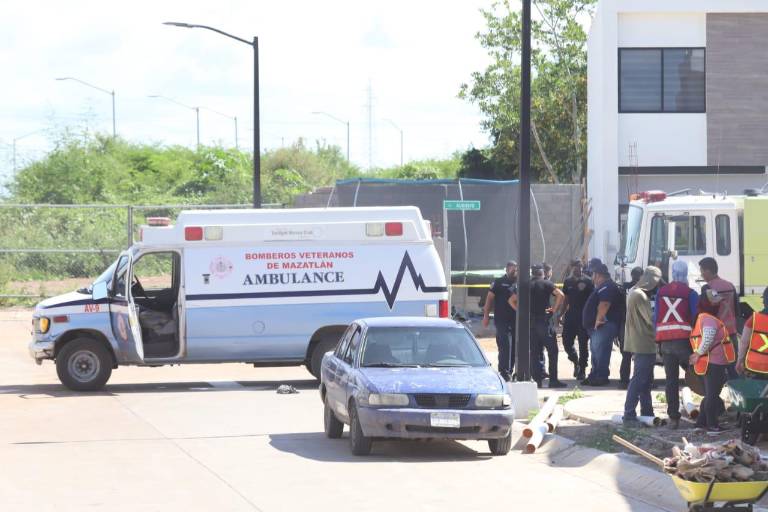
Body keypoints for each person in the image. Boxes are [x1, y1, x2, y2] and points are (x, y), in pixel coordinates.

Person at [655, 260, 699, 429]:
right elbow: (697, 318)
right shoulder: (690, 293)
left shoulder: (661, 292)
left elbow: (656, 317)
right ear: (686, 273)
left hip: (665, 343)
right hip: (684, 342)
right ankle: (711, 412)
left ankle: (674, 418)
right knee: (700, 374)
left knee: (671, 381)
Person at [509, 265, 565, 388]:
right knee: (552, 351)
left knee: (535, 352)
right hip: (544, 321)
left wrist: (522, 312)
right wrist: (553, 310)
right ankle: (553, 380)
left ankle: (537, 381)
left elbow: (511, 300)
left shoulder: (525, 285)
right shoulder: (547, 283)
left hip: (531, 323)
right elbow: (561, 295)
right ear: (542, 273)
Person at [689, 289, 736, 432]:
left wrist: (698, 354)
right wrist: (698, 353)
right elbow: (708, 339)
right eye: (715, 302)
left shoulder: (702, 317)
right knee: (712, 395)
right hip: (713, 362)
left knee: (710, 394)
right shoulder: (709, 319)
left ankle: (701, 422)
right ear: (708, 303)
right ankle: (712, 425)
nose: (718, 305)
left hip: (709, 362)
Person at [623, 266, 663, 426]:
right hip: (643, 342)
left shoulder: (634, 292)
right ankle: (629, 414)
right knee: (639, 379)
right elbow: (650, 319)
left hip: (639, 342)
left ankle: (647, 411)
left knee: (645, 380)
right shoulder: (640, 296)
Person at [582, 261, 624, 386]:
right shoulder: (603, 286)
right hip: (602, 326)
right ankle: (595, 375)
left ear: (598, 275)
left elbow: (605, 303)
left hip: (604, 326)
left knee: (600, 351)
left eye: (593, 274)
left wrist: (598, 320)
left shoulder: (607, 286)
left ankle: (600, 376)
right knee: (597, 351)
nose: (592, 277)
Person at [699, 257, 740, 378]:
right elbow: (737, 311)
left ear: (707, 271)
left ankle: (714, 396)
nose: (701, 274)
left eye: (701, 271)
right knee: (734, 370)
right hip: (731, 334)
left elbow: (704, 314)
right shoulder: (730, 286)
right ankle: (737, 395)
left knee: (715, 372)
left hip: (716, 337)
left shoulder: (707, 289)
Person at [482, 261, 518, 381]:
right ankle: (504, 372)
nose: (515, 271)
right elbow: (489, 299)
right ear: (507, 269)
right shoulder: (498, 282)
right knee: (505, 346)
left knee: (514, 347)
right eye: (513, 269)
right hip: (502, 320)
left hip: (516, 320)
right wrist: (486, 315)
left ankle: (510, 370)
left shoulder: (519, 282)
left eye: (516, 269)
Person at [561, 260, 594, 380]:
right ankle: (575, 361)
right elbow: (566, 299)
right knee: (566, 341)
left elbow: (593, 299)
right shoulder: (568, 281)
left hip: (583, 316)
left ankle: (582, 369)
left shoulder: (588, 281)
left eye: (580, 267)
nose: (579, 269)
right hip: (571, 315)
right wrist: (561, 313)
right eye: (576, 267)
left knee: (583, 343)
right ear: (572, 267)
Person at [616, 267, 643, 389]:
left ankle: (623, 381)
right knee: (642, 353)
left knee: (626, 354)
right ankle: (643, 380)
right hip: (639, 324)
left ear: (631, 275)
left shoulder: (623, 288)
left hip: (625, 323)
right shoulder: (644, 289)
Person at [736, 287, 768, 377]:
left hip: (755, 366)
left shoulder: (753, 319)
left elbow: (744, 342)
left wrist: (740, 361)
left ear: (765, 301)